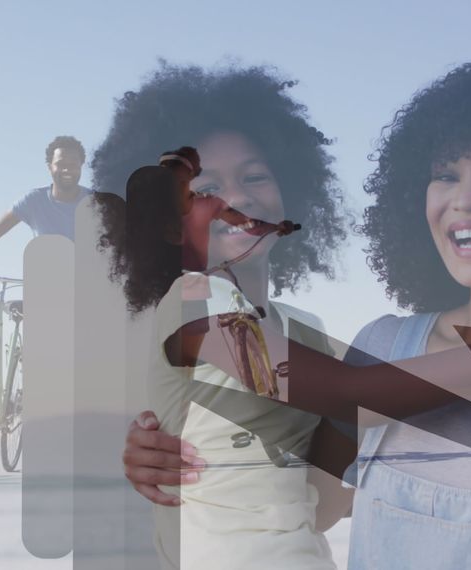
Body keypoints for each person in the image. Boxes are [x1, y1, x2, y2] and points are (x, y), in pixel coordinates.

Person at [122, 58, 471, 569]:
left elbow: (306, 498)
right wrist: (158, 452)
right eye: (445, 174)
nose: (467, 198)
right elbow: (348, 408)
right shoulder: (373, 345)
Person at [93, 63, 349, 570]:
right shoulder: (191, 303)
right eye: (205, 187)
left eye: (254, 176)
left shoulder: (307, 329)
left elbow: (322, 509)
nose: (234, 197)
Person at [0, 135, 91, 277]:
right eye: (60, 164)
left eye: (73, 164)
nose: (67, 170)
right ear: (50, 167)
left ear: (81, 166)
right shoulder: (34, 200)